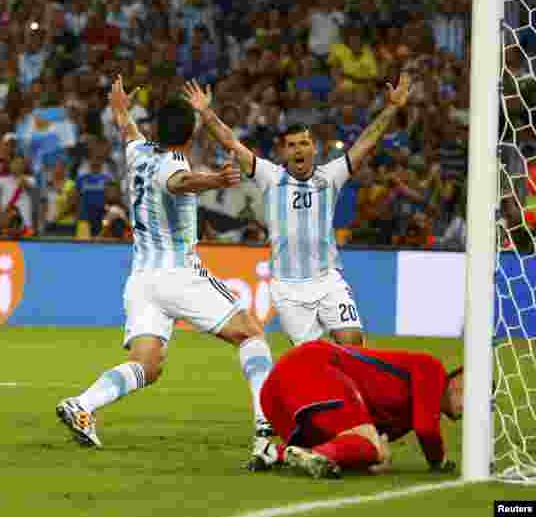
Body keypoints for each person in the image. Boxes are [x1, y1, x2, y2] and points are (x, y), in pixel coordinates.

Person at [55, 76, 277, 469]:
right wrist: (215, 179)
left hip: (142, 279)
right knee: (251, 334)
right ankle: (265, 432)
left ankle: (83, 405)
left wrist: (120, 107)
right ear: (190, 133)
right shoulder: (174, 161)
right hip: (177, 273)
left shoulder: (138, 151)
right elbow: (179, 182)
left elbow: (127, 128)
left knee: (147, 364)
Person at [183, 74, 414, 346]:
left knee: (352, 340)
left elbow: (365, 142)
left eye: (303, 143)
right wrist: (206, 113)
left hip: (328, 279)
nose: (298, 149)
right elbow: (230, 142)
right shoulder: (270, 176)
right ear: (283, 152)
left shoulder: (331, 176)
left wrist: (392, 107)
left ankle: (353, 390)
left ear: (313, 148)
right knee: (312, 359)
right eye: (292, 145)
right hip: (288, 288)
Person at [257, 340, 463, 478]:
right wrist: (440, 463)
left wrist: (376, 456)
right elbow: (426, 429)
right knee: (370, 446)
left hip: (276, 396)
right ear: (458, 383)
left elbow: (370, 454)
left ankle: (275, 452)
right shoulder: (432, 369)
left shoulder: (406, 415)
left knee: (367, 449)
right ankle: (317, 455)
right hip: (312, 366)